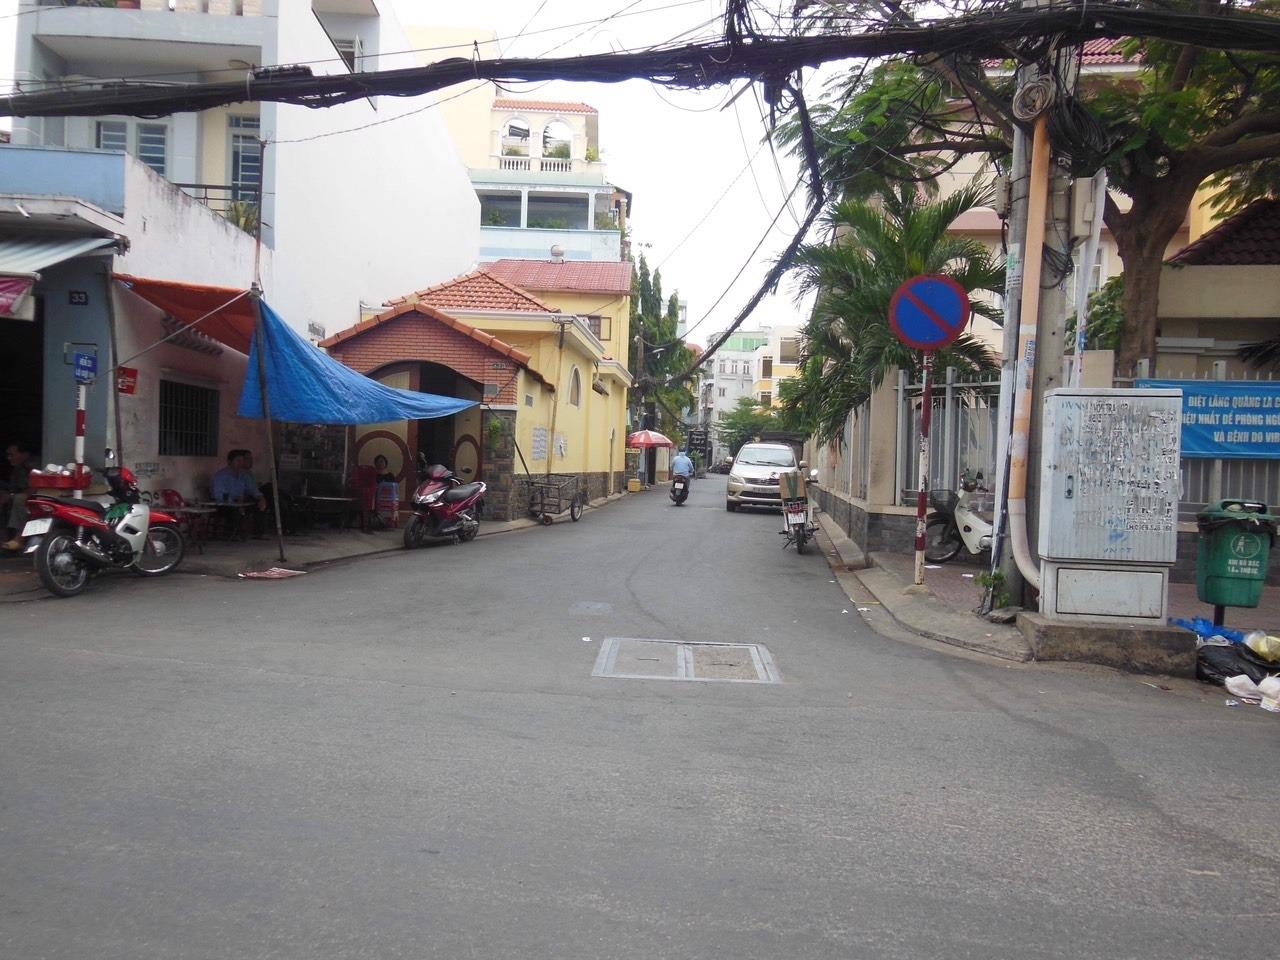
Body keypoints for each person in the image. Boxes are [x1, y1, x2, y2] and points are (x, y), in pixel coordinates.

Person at [211, 450, 266, 537]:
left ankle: (257, 533)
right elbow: (218, 494)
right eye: (238, 460)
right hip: (224, 504)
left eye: (242, 461)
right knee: (234, 511)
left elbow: (252, 489)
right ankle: (231, 534)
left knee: (259, 505)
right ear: (229, 462)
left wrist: (261, 498)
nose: (240, 463)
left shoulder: (244, 475)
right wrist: (235, 500)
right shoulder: (221, 475)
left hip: (241, 502)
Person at [2, 440, 37, 551]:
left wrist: (11, 496)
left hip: (35, 498)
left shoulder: (33, 466)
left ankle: (18, 539)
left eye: (12, 455)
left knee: (19, 499)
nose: (9, 458)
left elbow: (33, 489)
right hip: (17, 494)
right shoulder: (18, 468)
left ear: (25, 454)